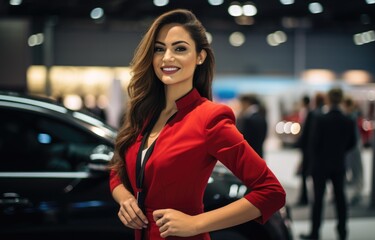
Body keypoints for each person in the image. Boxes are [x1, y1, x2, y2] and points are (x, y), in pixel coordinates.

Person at [108, 9, 286, 240]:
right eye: (159, 49)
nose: (167, 57)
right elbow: (117, 170)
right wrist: (124, 198)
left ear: (200, 56)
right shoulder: (144, 114)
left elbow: (271, 192)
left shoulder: (209, 118)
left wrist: (196, 223)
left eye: (180, 48)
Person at [300, 88, 356, 240]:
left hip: (320, 165)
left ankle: (315, 232)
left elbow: (313, 143)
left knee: (318, 200)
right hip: (338, 164)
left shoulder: (320, 119)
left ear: (328, 100)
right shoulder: (348, 120)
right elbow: (352, 143)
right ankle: (342, 232)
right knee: (340, 199)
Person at [294, 92, 325, 206]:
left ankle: (304, 198)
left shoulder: (312, 114)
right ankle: (305, 197)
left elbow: (308, 134)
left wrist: (298, 144)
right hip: (316, 151)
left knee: (307, 175)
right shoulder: (321, 113)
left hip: (309, 151)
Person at [343, 96, 364, 206]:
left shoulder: (352, 117)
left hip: (353, 147)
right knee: (352, 171)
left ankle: (357, 192)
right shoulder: (351, 117)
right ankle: (355, 192)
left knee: (356, 171)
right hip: (351, 147)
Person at [236, 93, 268, 158]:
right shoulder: (261, 115)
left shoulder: (248, 119)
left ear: (246, 103)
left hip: (249, 155)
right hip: (259, 154)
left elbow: (244, 138)